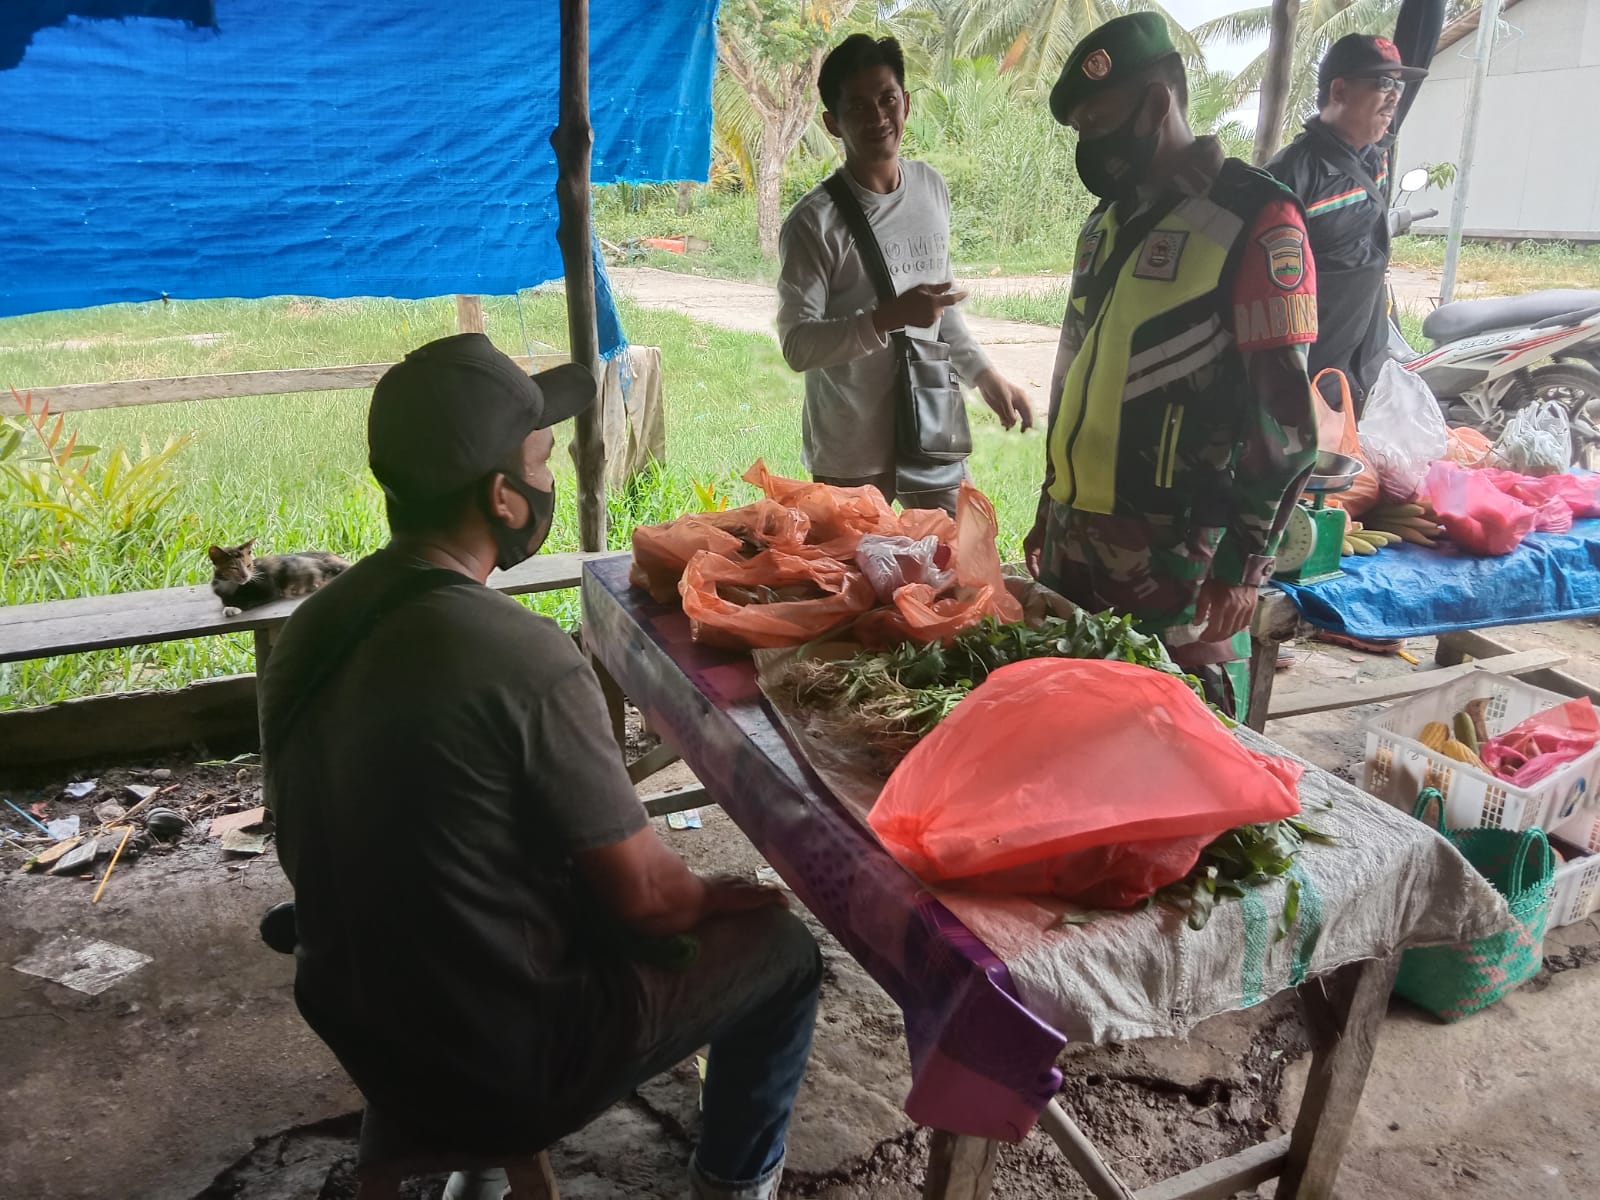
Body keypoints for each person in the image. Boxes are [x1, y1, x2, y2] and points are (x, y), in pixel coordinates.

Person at [261, 333, 822, 1200]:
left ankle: (475, 1161)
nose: (549, 476)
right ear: (504, 499)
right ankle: (735, 1181)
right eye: (542, 459)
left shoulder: (310, 627)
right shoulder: (523, 657)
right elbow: (648, 897)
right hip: (505, 1059)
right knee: (782, 953)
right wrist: (721, 897)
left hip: (355, 1011)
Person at [1024, 14, 1320, 716]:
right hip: (1078, 538)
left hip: (1175, 554)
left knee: (1171, 727)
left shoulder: (1253, 218)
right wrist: (1050, 500)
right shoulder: (1104, 224)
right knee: (1069, 723)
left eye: (1098, 123)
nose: (1088, 145)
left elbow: (1282, 416)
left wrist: (1244, 565)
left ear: (1157, 106)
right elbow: (1075, 379)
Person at [776, 33, 1033, 515]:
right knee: (854, 581)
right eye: (857, 106)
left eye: (886, 98)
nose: (877, 117)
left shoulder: (931, 189)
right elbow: (798, 346)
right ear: (832, 123)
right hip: (851, 447)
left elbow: (941, 309)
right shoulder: (813, 223)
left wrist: (984, 375)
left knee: (952, 566)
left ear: (906, 104)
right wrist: (885, 318)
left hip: (932, 426)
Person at [1268, 34, 1427, 416]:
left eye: (1398, 85)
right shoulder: (1290, 176)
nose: (1394, 96)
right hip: (1306, 385)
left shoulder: (1377, 159)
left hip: (1363, 372)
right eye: (1382, 83)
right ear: (1339, 90)